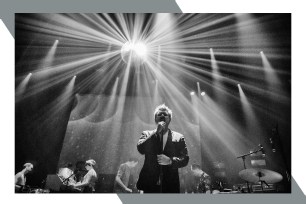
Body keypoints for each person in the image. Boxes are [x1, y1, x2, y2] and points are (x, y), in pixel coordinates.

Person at [137, 104, 189, 193]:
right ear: (155, 119)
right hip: (150, 183)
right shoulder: (146, 134)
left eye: (165, 114)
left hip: (170, 184)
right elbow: (141, 149)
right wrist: (156, 133)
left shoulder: (178, 137)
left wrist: (170, 161)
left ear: (170, 119)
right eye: (159, 114)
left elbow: (185, 159)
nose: (162, 116)